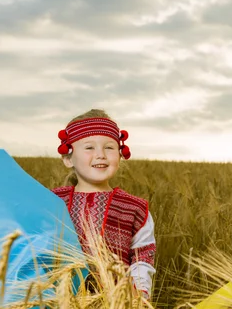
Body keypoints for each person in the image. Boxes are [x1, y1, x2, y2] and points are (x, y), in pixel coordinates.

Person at [52, 109, 156, 297]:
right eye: (89, 148)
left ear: (120, 154)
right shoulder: (51, 202)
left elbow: (142, 257)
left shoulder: (135, 209)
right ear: (68, 159)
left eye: (109, 147)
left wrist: (139, 296)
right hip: (60, 307)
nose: (101, 155)